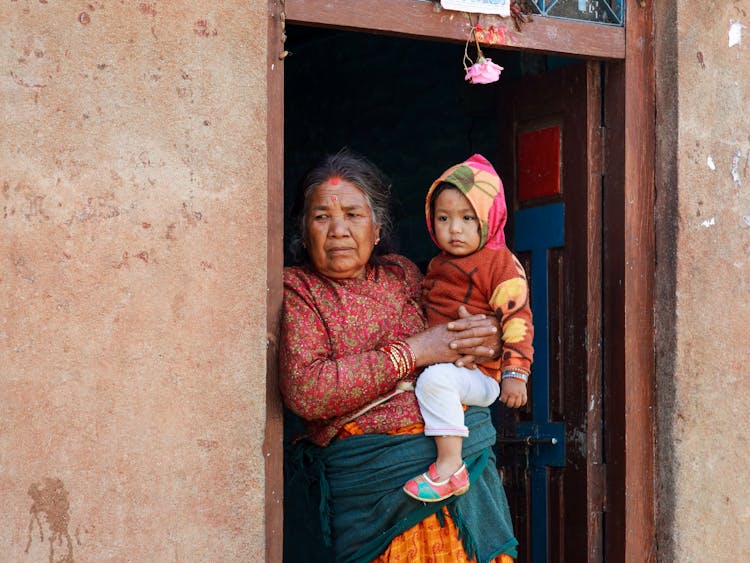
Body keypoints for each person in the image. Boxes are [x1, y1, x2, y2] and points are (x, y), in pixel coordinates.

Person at [280, 149, 518, 562]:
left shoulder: (404, 274)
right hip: (376, 490)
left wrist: (490, 340)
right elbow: (308, 391)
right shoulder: (297, 289)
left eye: (353, 215)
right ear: (303, 230)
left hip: (462, 476)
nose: (338, 229)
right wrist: (414, 351)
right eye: (322, 217)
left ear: (377, 229)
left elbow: (456, 330)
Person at [403, 154, 534, 503]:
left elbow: (518, 319)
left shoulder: (500, 263)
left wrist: (515, 374)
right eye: (443, 218)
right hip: (451, 369)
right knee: (430, 379)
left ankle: (450, 469)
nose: (454, 229)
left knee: (435, 381)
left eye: (467, 218)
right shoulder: (438, 264)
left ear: (490, 220)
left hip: (483, 376)